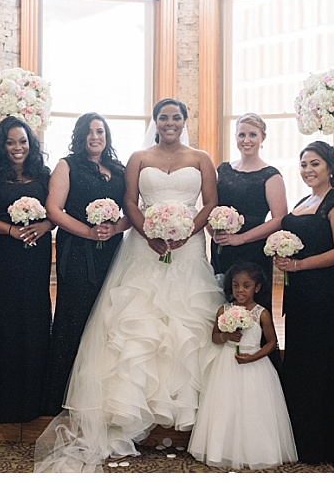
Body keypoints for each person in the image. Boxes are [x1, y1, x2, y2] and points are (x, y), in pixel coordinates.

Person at [34, 98, 224, 472]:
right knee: (138, 320)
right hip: (144, 246)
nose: (169, 123)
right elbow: (130, 203)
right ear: (155, 121)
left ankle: (186, 408)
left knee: (187, 322)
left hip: (188, 248)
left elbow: (209, 205)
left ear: (185, 120)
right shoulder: (137, 157)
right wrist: (148, 231)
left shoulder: (202, 157)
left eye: (176, 117)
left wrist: (186, 233)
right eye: (163, 117)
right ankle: (127, 408)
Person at [274, 141, 334, 467]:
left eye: (315, 164)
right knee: (300, 358)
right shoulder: (303, 201)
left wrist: (298, 265)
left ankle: (328, 443)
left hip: (321, 289)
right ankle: (300, 438)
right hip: (296, 291)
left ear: (330, 168)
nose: (308, 170)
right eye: (304, 164)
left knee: (322, 360)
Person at [0, 116, 54, 424]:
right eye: (11, 142)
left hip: (36, 255)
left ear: (31, 143)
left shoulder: (43, 174)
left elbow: (58, 210)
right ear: (1, 145)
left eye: (23, 141)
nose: (18, 147)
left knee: (35, 314)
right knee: (2, 314)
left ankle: (33, 397)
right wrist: (9, 230)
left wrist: (45, 224)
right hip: (2, 254)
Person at [41, 113, 131, 416]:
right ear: (80, 136)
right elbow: (54, 209)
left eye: (100, 132)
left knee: (105, 318)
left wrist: (115, 229)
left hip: (112, 251)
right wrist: (88, 232)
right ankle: (60, 392)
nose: (95, 137)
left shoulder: (118, 170)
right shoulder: (67, 165)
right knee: (73, 315)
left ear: (107, 136)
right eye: (89, 132)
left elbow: (132, 210)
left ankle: (99, 392)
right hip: (77, 250)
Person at [188, 261, 297, 470]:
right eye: (236, 285)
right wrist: (226, 335)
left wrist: (254, 357)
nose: (240, 290)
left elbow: (272, 343)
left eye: (246, 285)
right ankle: (223, 449)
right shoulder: (223, 310)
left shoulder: (261, 313)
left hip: (255, 365)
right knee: (224, 406)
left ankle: (258, 450)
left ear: (256, 288)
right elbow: (214, 337)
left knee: (254, 408)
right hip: (226, 364)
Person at [208, 112, 287, 371]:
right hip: (223, 249)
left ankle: (261, 370)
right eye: (242, 134)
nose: (246, 139)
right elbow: (212, 206)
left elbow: (279, 219)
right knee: (223, 303)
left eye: (252, 134)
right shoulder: (224, 170)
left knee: (255, 310)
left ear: (262, 138)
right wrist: (212, 228)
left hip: (253, 250)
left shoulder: (270, 175)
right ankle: (224, 371)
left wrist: (240, 238)